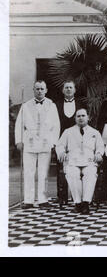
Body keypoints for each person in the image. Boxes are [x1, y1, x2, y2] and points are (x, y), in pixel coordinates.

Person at [15, 80, 60, 209]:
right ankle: (28, 200)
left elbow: (56, 125)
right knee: (29, 172)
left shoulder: (52, 105)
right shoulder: (26, 105)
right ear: (33, 90)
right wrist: (19, 140)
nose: (39, 91)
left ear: (46, 90)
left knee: (43, 172)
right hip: (29, 142)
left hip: (45, 142)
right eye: (37, 89)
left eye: (42, 89)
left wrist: (54, 142)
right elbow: (19, 124)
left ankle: (42, 199)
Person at [56, 109, 104, 214]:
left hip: (89, 161)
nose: (81, 118)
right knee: (72, 174)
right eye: (78, 116)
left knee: (90, 174)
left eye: (83, 115)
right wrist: (61, 152)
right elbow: (60, 145)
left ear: (88, 117)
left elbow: (100, 146)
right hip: (72, 161)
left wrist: (99, 153)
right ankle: (78, 203)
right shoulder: (68, 131)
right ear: (75, 118)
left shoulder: (95, 132)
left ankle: (86, 203)